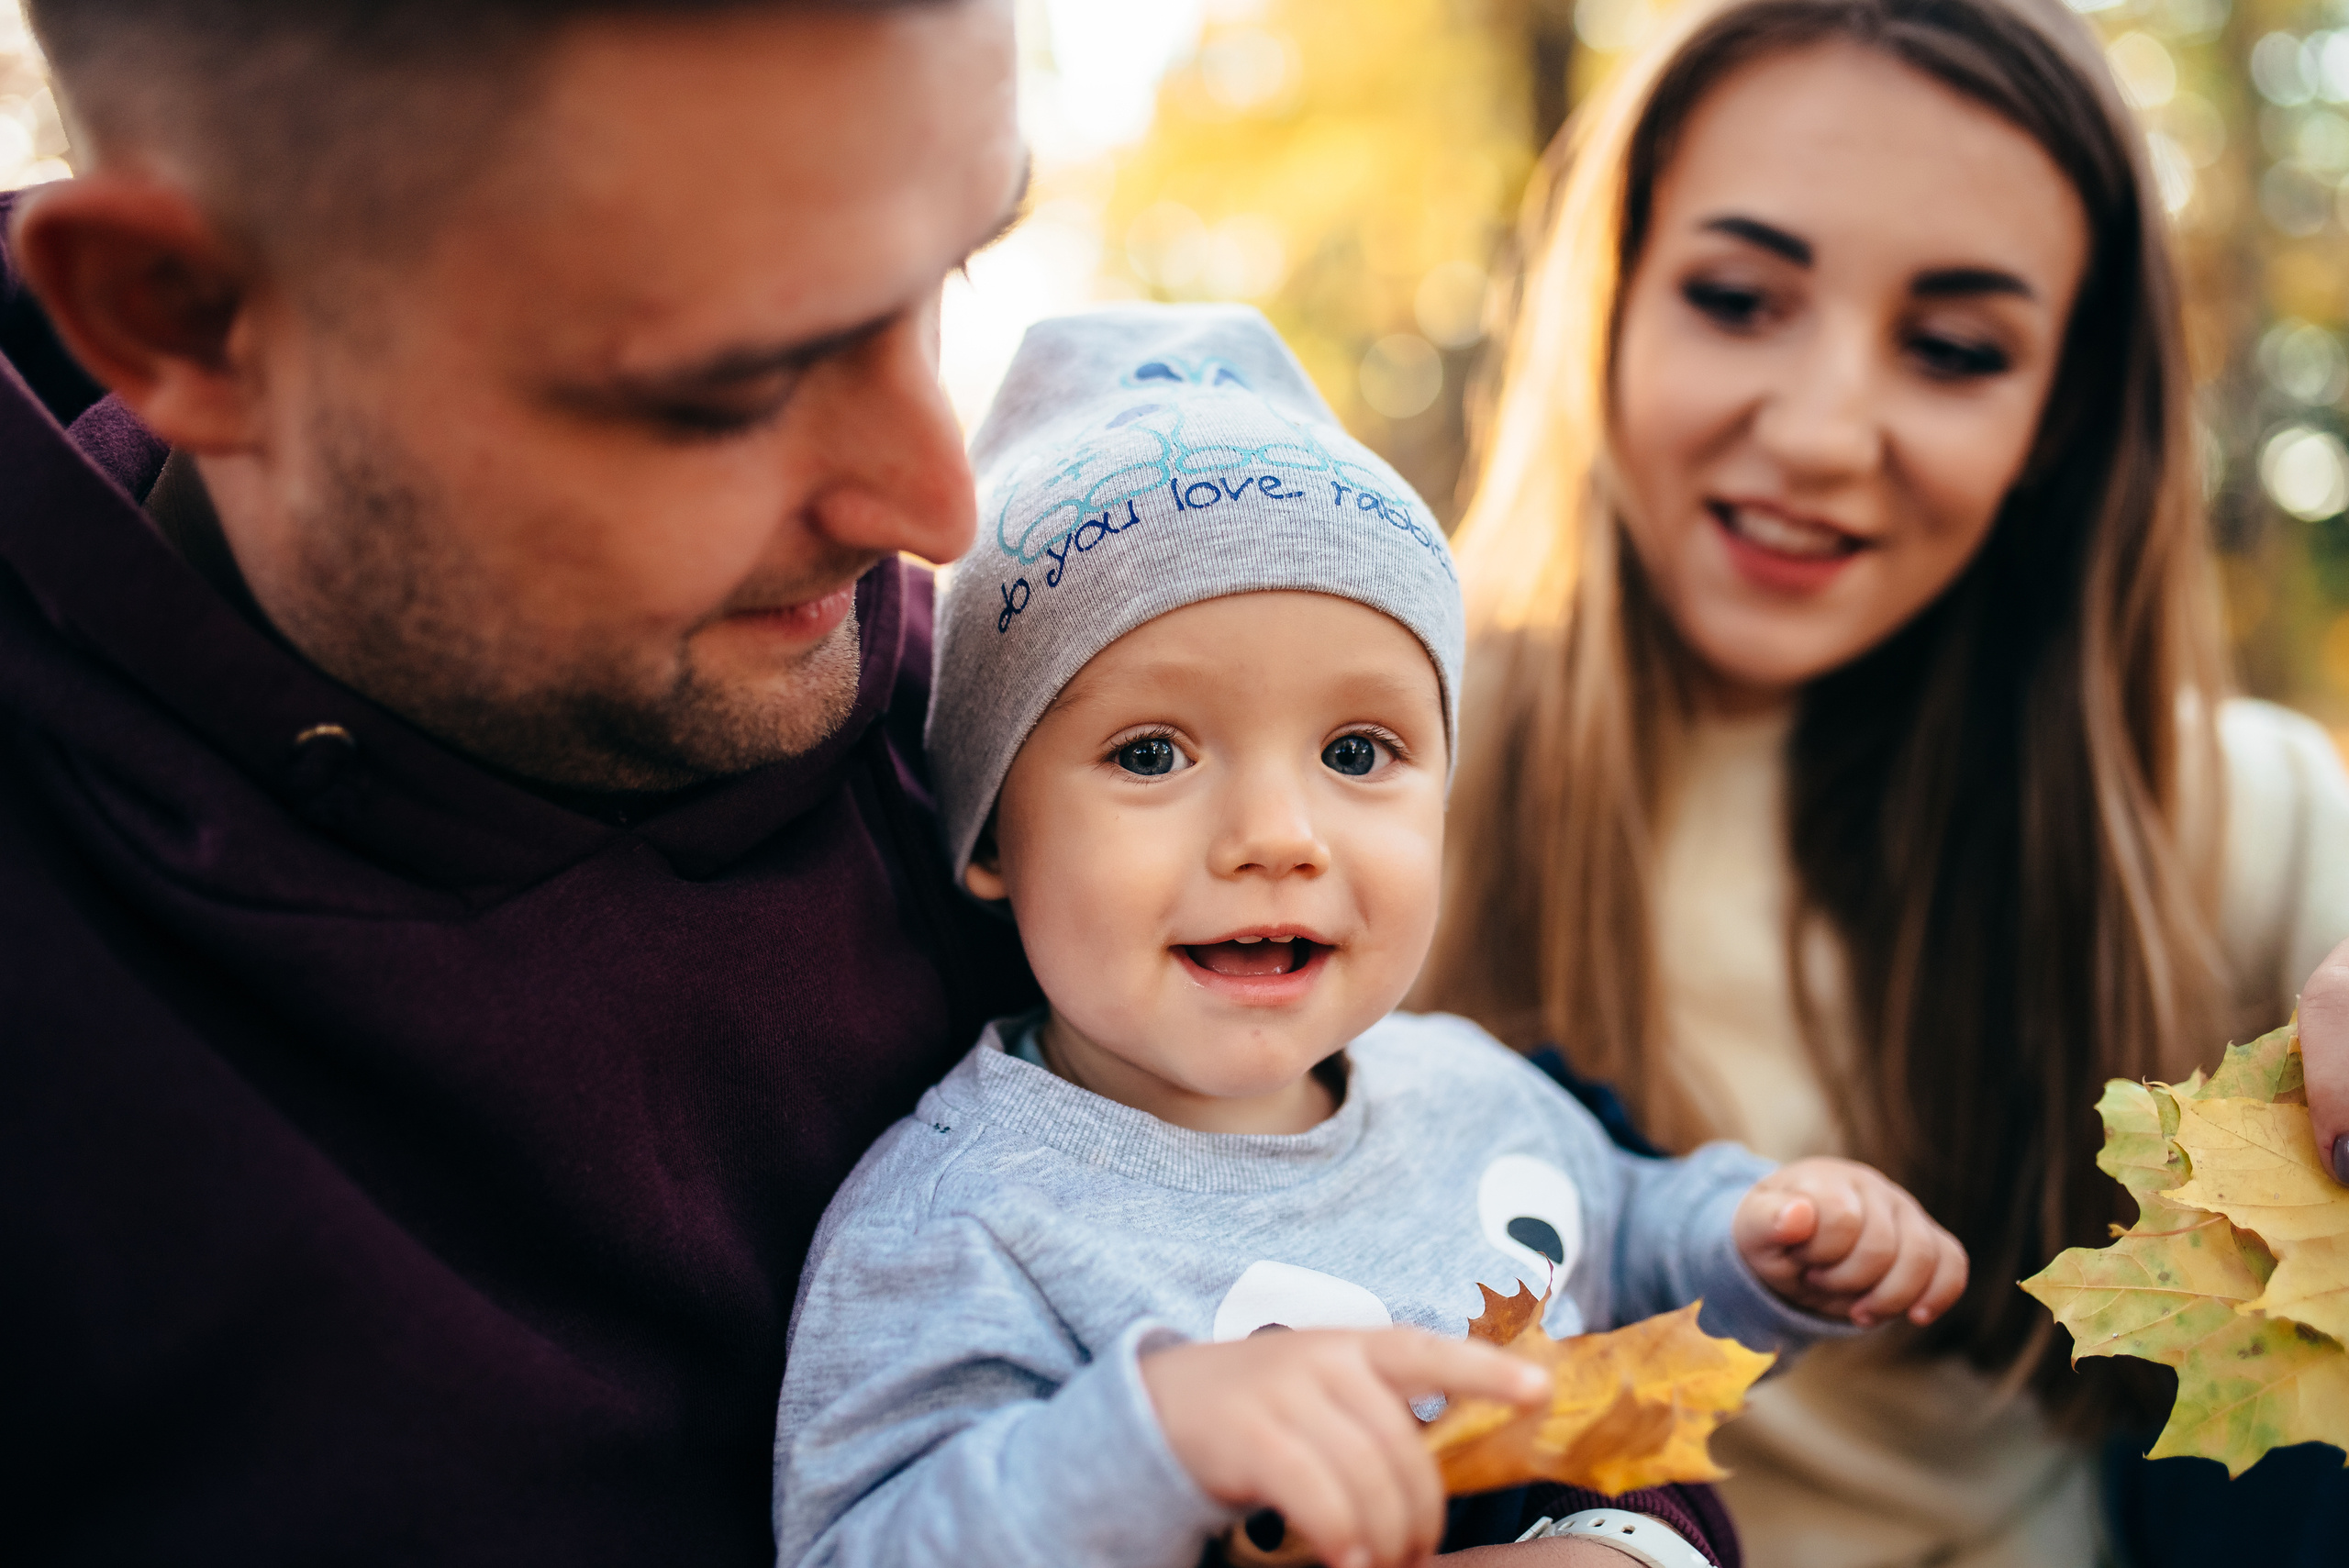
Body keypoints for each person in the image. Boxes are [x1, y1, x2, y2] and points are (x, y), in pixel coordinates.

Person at [0, 1, 1035, 1561]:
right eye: (730, 383)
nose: (939, 502)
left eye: (949, 274)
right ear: (184, 319)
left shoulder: (1017, 740)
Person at [774, 306, 1969, 1568]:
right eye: (1150, 752)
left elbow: (1633, 1236)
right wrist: (1149, 1443)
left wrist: (1766, 1243)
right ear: (993, 837)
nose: (1277, 834)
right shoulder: (965, 1220)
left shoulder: (1473, 1093)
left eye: (1358, 752)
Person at [1410, 0, 2349, 1563]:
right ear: (1614, 303)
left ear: (2058, 413)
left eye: (1956, 348)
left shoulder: (2229, 809)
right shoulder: (1369, 752)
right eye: (1736, 298)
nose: (1825, 431)